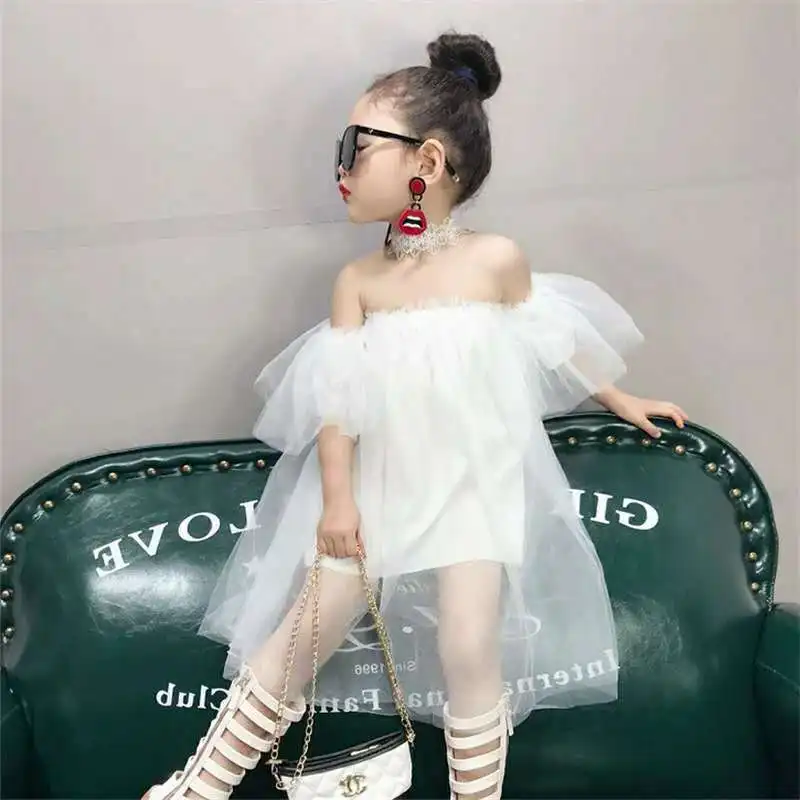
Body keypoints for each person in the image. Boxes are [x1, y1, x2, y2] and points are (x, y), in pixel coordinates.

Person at [144, 30, 687, 800]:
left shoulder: (495, 260)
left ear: (426, 162)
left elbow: (551, 337)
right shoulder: (359, 281)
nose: (341, 168)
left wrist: (619, 395)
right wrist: (337, 502)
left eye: (357, 147)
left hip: (473, 486)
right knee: (303, 633)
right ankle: (198, 787)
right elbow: (338, 403)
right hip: (376, 489)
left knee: (470, 647)